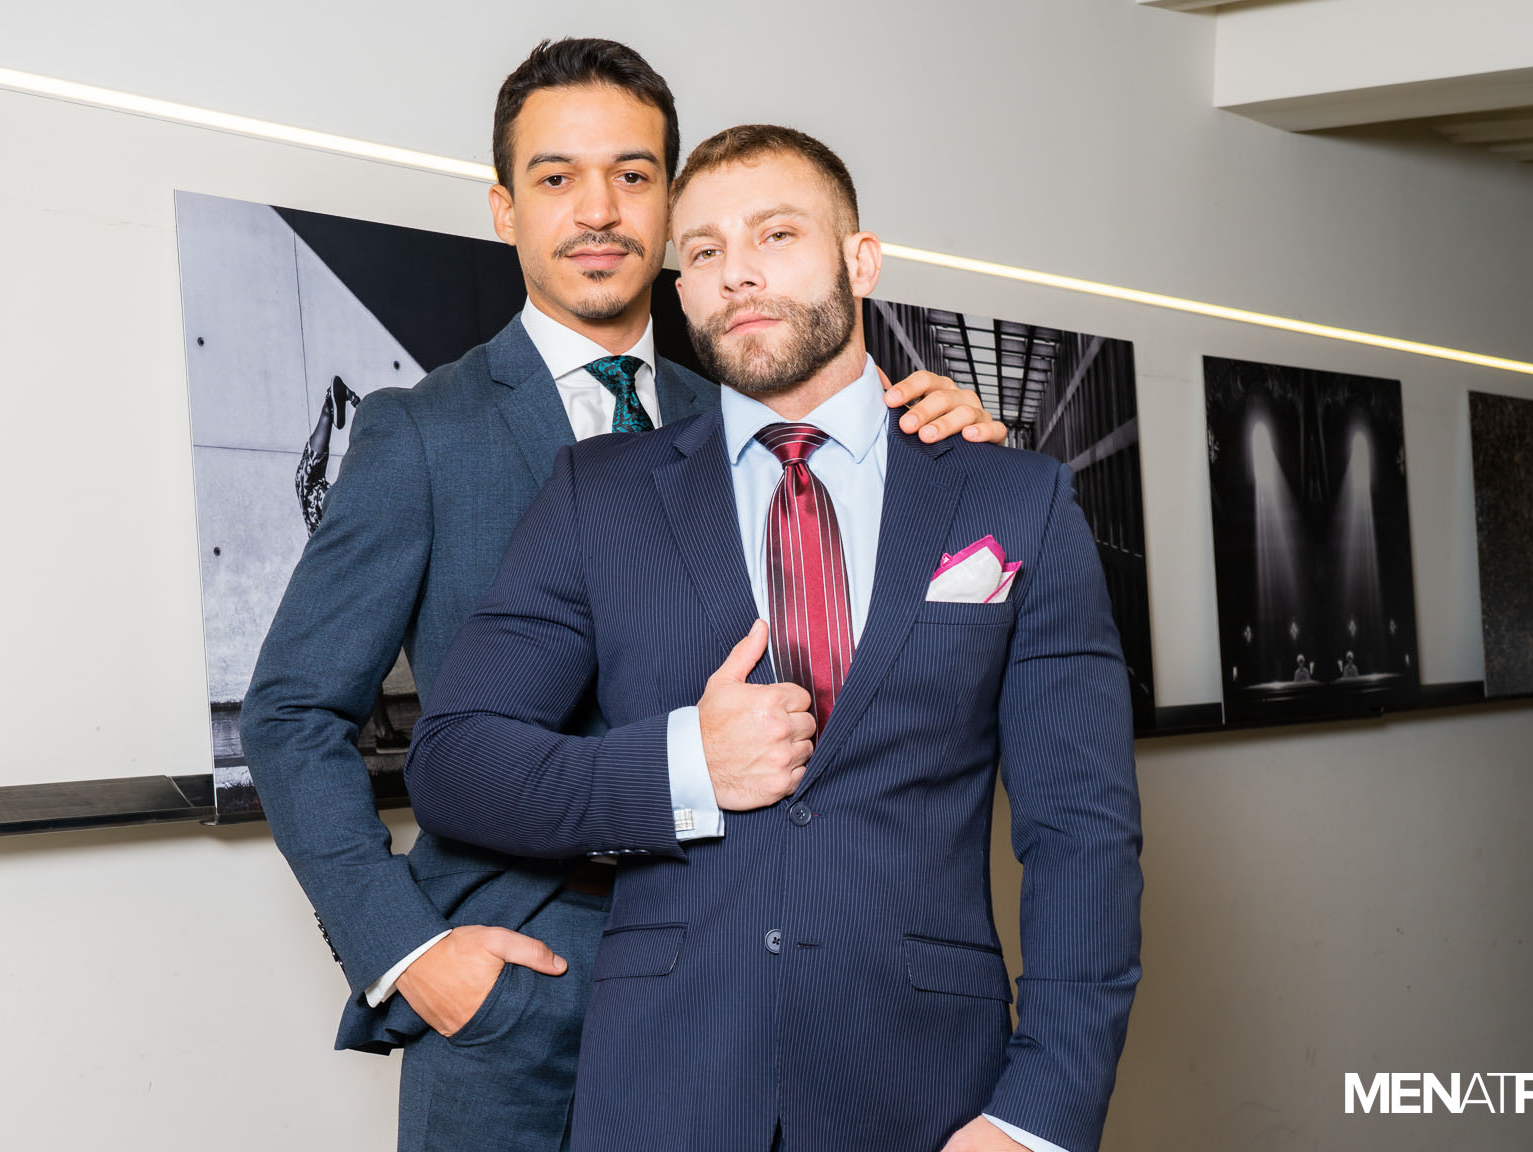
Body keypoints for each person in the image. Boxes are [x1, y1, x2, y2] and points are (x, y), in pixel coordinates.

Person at [239, 40, 1003, 1152]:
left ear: (672, 205)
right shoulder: (422, 435)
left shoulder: (754, 410)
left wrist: (942, 456)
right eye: (556, 177)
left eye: (632, 175)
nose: (597, 210)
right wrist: (408, 952)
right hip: (520, 991)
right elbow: (291, 713)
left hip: (740, 978)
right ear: (504, 209)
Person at [405, 124, 1142, 1152]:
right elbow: (453, 763)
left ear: (860, 260)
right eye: (704, 250)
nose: (736, 273)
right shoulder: (598, 496)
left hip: (930, 1094)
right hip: (664, 1096)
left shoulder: (1013, 499)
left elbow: (1081, 835)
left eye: (777, 235)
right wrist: (685, 766)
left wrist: (1039, 1116)